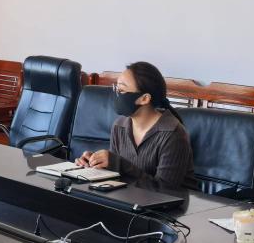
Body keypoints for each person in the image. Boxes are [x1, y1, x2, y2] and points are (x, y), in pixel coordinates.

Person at [75, 61, 194, 189]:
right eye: (116, 88)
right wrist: (94, 163)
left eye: (121, 90)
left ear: (144, 98)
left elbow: (164, 190)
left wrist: (118, 163)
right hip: (127, 198)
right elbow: (116, 176)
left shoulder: (173, 134)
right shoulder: (119, 126)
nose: (116, 94)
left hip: (170, 201)